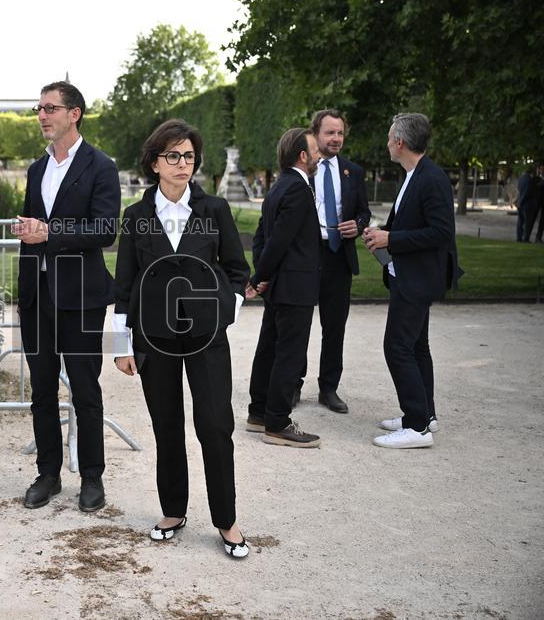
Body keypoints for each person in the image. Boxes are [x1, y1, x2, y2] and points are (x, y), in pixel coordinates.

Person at [112, 119, 250, 558]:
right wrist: (121, 345)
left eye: (188, 156)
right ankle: (173, 510)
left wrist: (224, 312)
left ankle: (226, 520)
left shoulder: (215, 212)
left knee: (215, 425)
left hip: (206, 338)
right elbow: (125, 283)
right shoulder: (135, 217)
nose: (182, 163)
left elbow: (237, 272)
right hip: (154, 339)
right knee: (166, 425)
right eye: (173, 156)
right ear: (155, 163)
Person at [13, 81, 120, 512]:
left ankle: (92, 478)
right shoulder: (37, 170)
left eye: (50, 108)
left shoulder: (101, 166)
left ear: (74, 113)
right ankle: (48, 474)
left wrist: (49, 232)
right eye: (39, 108)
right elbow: (31, 233)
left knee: (85, 388)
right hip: (38, 296)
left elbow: (105, 230)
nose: (42, 115)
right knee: (41, 390)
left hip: (80, 296)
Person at [364, 113, 462, 448]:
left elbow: (441, 232)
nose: (388, 142)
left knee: (397, 347)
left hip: (417, 277)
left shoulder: (430, 178)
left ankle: (417, 426)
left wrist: (390, 239)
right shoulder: (416, 174)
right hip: (411, 274)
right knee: (417, 347)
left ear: (401, 142)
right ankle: (424, 415)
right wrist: (382, 235)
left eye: (390, 137)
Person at [246, 128, 322, 448]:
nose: (319, 154)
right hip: (295, 285)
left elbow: (262, 238)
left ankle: (259, 412)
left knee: (269, 349)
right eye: (315, 149)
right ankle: (277, 421)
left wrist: (261, 274)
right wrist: (258, 278)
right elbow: (278, 240)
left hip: (280, 284)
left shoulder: (278, 187)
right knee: (288, 353)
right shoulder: (298, 190)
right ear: (302, 156)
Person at [294, 110, 371, 413]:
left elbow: (364, 211)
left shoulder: (354, 172)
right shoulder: (303, 169)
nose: (336, 139)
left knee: (334, 326)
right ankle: (294, 384)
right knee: (300, 323)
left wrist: (359, 224)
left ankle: (329, 388)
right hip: (306, 256)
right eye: (329, 133)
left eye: (339, 133)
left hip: (339, 257)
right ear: (315, 134)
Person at [515, 168, 538, 242]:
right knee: (528, 222)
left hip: (520, 203)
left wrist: (518, 202)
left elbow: (519, 190)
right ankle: (526, 238)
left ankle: (519, 237)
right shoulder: (530, 180)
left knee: (520, 222)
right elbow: (527, 192)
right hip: (528, 204)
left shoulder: (521, 178)